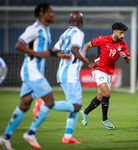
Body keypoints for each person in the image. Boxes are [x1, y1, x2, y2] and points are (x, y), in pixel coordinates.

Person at [0, 3, 71, 150]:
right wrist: (39, 54)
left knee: (24, 105)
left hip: (35, 72)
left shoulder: (46, 30)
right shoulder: (34, 29)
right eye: (51, 12)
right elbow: (19, 45)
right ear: (42, 13)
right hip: (31, 71)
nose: (53, 14)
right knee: (49, 101)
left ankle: (5, 137)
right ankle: (31, 133)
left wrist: (58, 54)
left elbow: (44, 50)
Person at [32, 11, 97, 144]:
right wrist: (87, 62)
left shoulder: (65, 34)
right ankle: (43, 103)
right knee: (77, 106)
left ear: (69, 22)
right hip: (70, 74)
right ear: (82, 22)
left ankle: (67, 136)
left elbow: (54, 51)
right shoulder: (78, 33)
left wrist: (64, 57)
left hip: (61, 72)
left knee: (72, 105)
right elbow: (74, 49)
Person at [81, 22, 131, 130]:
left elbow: (129, 60)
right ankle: (105, 119)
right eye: (121, 33)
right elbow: (86, 45)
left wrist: (126, 57)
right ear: (114, 31)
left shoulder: (122, 44)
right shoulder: (102, 39)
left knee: (100, 97)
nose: (122, 35)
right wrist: (82, 61)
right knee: (107, 93)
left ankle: (85, 112)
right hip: (98, 69)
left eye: (124, 33)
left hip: (109, 72)